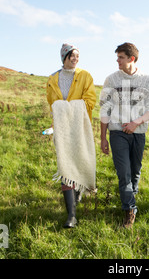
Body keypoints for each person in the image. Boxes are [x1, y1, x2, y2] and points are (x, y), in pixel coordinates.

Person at [100, 42, 149, 229]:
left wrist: (136, 122)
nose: (117, 61)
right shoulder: (111, 80)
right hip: (117, 132)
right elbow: (104, 109)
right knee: (124, 172)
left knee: (135, 171)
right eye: (117, 57)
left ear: (131, 59)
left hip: (139, 133)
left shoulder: (148, 81)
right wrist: (102, 137)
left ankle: (130, 203)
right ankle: (129, 210)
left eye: (121, 57)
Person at [46, 43, 97, 228]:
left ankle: (77, 197)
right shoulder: (52, 79)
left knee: (80, 160)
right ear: (64, 57)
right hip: (62, 128)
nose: (75, 59)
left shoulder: (85, 76)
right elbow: (52, 102)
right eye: (72, 55)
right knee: (65, 163)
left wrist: (71, 109)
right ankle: (72, 215)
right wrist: (60, 111)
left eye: (77, 56)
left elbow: (90, 100)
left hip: (80, 125)